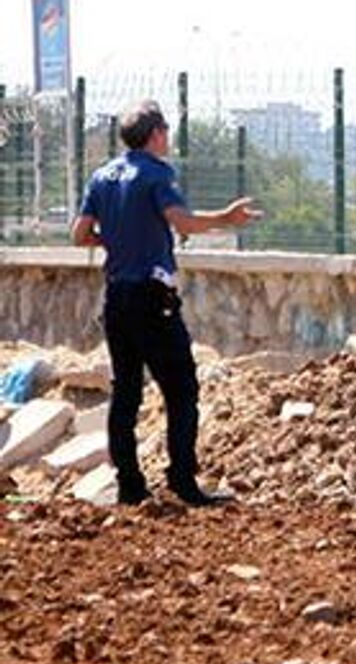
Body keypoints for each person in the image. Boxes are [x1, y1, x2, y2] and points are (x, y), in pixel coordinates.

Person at [70, 100, 260, 506]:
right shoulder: (157, 173)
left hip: (116, 296)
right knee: (181, 389)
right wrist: (227, 217)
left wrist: (115, 240)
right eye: (166, 131)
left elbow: (80, 234)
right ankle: (183, 482)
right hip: (152, 297)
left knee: (125, 396)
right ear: (156, 133)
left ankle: (130, 486)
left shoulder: (102, 176)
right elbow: (184, 223)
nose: (168, 138)